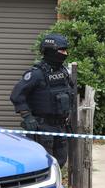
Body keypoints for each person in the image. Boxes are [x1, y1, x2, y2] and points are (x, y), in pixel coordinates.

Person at [10, 33, 74, 167]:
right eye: (62, 50)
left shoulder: (63, 72)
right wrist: (27, 117)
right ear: (51, 50)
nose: (65, 53)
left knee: (60, 162)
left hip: (60, 126)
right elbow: (17, 95)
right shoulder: (36, 74)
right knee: (44, 164)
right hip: (43, 127)